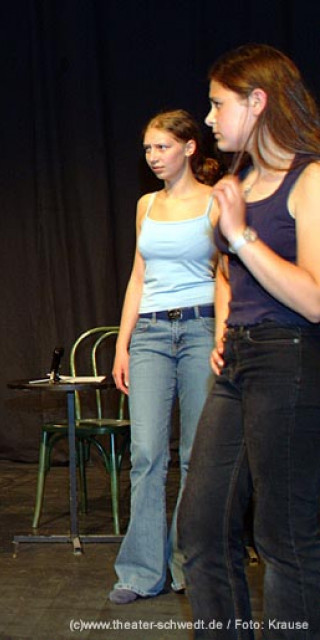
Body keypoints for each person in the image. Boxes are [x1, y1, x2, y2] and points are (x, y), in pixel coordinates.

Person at [178, 43, 320, 637]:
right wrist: (224, 326)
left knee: (284, 537)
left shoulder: (309, 179)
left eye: (218, 104)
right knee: (201, 529)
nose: (209, 118)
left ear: (257, 101)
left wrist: (241, 236)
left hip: (290, 359)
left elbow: (314, 298)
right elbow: (225, 274)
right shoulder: (238, 180)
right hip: (237, 360)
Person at [107, 110, 227, 605]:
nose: (154, 157)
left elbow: (225, 275)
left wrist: (222, 337)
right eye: (148, 149)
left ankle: (189, 563)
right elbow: (138, 276)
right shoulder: (146, 205)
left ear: (189, 147)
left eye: (163, 147)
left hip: (200, 327)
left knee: (197, 455)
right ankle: (139, 571)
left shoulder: (215, 201)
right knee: (146, 453)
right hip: (152, 334)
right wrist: (123, 343)